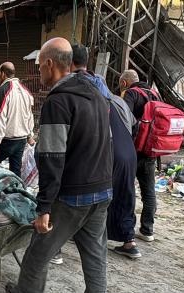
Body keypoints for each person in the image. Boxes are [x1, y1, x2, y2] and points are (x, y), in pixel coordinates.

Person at [3, 38, 113, 293]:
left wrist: (45, 207)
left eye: (39, 66)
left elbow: (52, 157)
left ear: (50, 64)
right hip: (102, 190)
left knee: (40, 248)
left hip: (73, 193)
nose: (39, 72)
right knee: (95, 257)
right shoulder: (94, 92)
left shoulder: (58, 101)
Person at [71, 45, 140, 259]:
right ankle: (129, 241)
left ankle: (86, 234)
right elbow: (133, 126)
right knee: (125, 194)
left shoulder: (90, 101)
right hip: (129, 152)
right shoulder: (118, 100)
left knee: (97, 196)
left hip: (108, 151)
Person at [120, 69, 159, 242]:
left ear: (124, 83)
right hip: (151, 151)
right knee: (148, 191)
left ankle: (125, 231)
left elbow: (123, 119)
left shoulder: (131, 94)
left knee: (126, 190)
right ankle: (147, 230)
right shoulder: (155, 94)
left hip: (133, 150)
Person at [0, 62, 34, 177]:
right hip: (22, 140)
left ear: (3, 74)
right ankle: (16, 193)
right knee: (15, 172)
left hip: (7, 140)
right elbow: (29, 115)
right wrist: (30, 136)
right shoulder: (26, 91)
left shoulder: (2, 90)